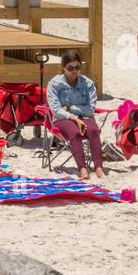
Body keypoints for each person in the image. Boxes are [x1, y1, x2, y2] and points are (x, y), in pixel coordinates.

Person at [46, 50, 107, 181]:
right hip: (62, 119)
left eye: (77, 67)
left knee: (94, 130)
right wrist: (73, 117)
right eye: (70, 68)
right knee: (75, 133)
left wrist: (71, 109)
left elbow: (90, 109)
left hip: (84, 117)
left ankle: (98, 167)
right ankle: (82, 168)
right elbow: (56, 109)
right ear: (63, 68)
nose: (74, 71)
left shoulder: (88, 83)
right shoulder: (55, 84)